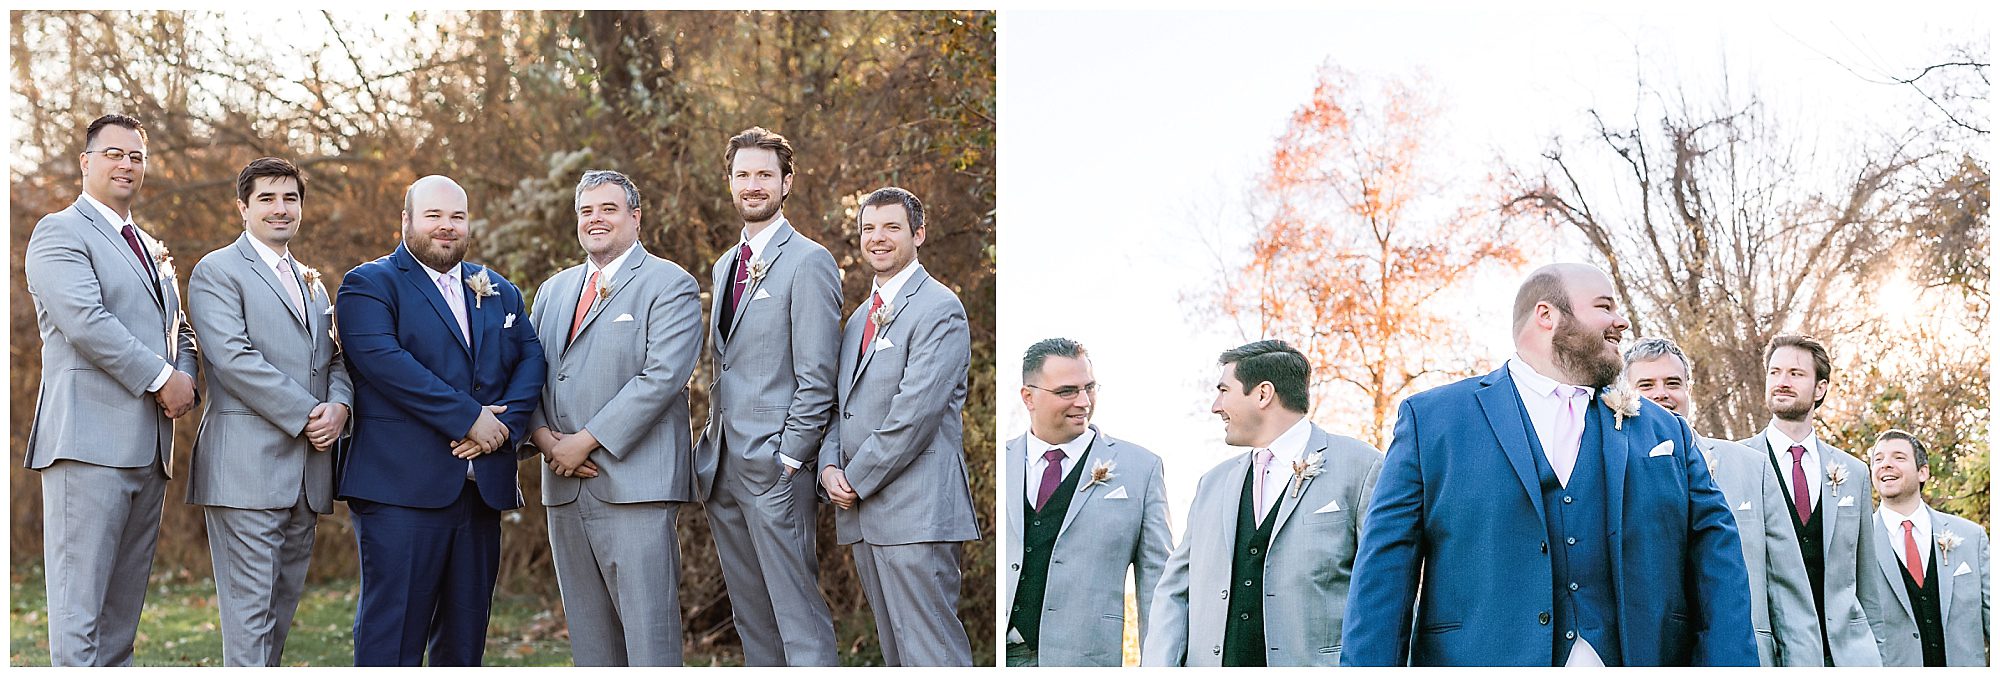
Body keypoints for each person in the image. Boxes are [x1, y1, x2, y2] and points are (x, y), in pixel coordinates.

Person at [1342, 262, 1755, 666]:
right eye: (1604, 306)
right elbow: (1385, 569)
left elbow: (1717, 561)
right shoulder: (1434, 420)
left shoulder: (1666, 431)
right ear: (1547, 315)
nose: (1621, 321)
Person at [335, 174, 545, 665]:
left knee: (465, 643)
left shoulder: (498, 290)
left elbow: (531, 359)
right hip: (400, 491)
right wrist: (469, 418)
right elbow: (385, 363)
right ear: (406, 220)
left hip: (479, 491)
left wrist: (501, 432)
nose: (446, 226)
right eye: (433, 215)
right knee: (394, 638)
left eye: (456, 216)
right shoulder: (369, 283)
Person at [24, 113, 201, 666]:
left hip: (149, 451)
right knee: (81, 618)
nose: (125, 165)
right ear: (85, 161)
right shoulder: (60, 231)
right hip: (87, 444)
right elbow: (86, 322)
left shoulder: (151, 245)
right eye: (112, 154)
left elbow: (182, 329)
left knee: (121, 623)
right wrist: (160, 378)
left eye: (135, 156)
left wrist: (187, 376)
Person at [526, 170, 703, 665]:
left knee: (650, 640)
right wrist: (544, 438)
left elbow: (662, 378)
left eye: (608, 209)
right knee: (590, 643)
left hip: (635, 485)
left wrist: (584, 441)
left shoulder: (670, 284)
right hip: (562, 485)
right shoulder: (553, 291)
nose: (595, 219)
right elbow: (527, 374)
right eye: (586, 211)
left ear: (634, 217)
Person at [184, 157, 351, 666]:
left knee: (278, 617)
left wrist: (340, 407)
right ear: (243, 207)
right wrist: (308, 414)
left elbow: (336, 357)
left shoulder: (311, 281)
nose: (281, 209)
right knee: (250, 620)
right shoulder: (216, 271)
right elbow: (233, 360)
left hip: (307, 471)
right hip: (245, 470)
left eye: (290, 199)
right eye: (268, 199)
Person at [693, 127, 842, 665]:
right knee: (751, 615)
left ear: (787, 182)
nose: (752, 185)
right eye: (742, 175)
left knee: (796, 613)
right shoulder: (725, 265)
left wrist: (790, 456)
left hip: (776, 467)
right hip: (724, 464)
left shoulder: (810, 261)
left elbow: (818, 372)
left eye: (764, 175)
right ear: (729, 182)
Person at [1142, 340, 1382, 667]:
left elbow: (1385, 587)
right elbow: (1174, 591)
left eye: (1224, 390)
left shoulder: (1360, 466)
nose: (1216, 405)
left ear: (1263, 394)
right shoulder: (1212, 483)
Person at [818, 187, 977, 666]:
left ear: (919, 233)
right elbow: (838, 409)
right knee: (897, 657)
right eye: (869, 228)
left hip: (917, 515)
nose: (878, 238)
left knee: (933, 655)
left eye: (891, 227)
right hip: (865, 518)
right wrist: (828, 469)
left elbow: (915, 415)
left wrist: (855, 478)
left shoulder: (939, 309)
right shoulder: (858, 320)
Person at [1623, 337, 1817, 665]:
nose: (1662, 394)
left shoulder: (1753, 467)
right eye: (1646, 384)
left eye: (1673, 383)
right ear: (1626, 395)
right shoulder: (1613, 475)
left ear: (1689, 390)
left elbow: (1790, 595)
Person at [1003, 338, 1170, 666]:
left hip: (1086, 660)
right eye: (1067, 391)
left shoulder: (1141, 468)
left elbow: (1157, 582)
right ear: (1028, 397)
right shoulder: (1002, 459)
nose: (1083, 401)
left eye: (1089, 388)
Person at [1739, 334, 1883, 666]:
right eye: (1774, 373)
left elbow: (1868, 586)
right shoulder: (1736, 463)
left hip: (1847, 657)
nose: (1782, 382)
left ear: (1820, 389)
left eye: (1795, 373)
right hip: (1769, 656)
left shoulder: (1854, 473)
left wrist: (1879, 656)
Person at [1861, 429, 1990, 666]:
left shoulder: (1972, 537)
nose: (1885, 465)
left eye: (1898, 457)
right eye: (1878, 459)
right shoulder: (1857, 543)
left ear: (1923, 472)